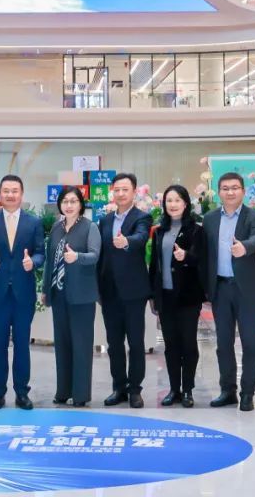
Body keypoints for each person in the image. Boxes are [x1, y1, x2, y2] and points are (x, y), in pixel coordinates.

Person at [195, 172, 255, 411]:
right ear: (219, 192)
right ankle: (228, 390)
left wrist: (244, 247)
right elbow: (205, 253)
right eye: (225, 188)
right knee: (223, 343)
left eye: (235, 188)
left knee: (250, 342)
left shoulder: (254, 216)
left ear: (243, 191)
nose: (230, 192)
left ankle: (248, 393)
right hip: (221, 288)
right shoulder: (210, 218)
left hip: (246, 288)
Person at [0, 175, 45, 410]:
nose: (10, 195)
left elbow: (40, 253)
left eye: (15, 191)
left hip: (23, 293)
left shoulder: (33, 222)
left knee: (22, 344)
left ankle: (22, 392)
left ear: (21, 194)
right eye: (6, 190)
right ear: (0, 194)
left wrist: (33, 262)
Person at [97, 172, 153, 408]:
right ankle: (118, 387)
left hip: (133, 292)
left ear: (134, 191)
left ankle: (135, 390)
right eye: (117, 189)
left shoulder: (142, 217)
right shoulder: (105, 220)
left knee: (136, 343)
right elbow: (101, 254)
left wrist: (127, 241)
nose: (120, 194)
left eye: (125, 189)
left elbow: (141, 237)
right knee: (114, 344)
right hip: (109, 291)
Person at [42, 186, 100, 407]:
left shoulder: (89, 227)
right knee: (62, 344)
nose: (69, 205)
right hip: (59, 294)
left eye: (73, 201)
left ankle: (80, 394)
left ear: (80, 204)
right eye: (65, 201)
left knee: (81, 346)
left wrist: (78, 257)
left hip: (82, 296)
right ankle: (63, 391)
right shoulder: (56, 228)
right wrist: (45, 289)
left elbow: (95, 255)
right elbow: (49, 261)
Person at [149, 185, 204, 408]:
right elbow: (154, 265)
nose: (172, 204)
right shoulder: (159, 231)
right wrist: (153, 294)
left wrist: (186, 256)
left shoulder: (196, 230)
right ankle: (174, 389)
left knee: (188, 344)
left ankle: (188, 389)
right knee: (171, 345)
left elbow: (201, 259)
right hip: (165, 296)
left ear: (186, 203)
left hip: (188, 297)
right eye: (169, 200)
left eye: (177, 200)